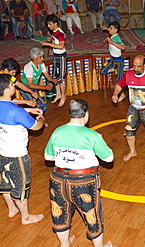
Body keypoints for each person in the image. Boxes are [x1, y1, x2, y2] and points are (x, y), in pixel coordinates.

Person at [45, 99, 113, 247]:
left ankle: (65, 244)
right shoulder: (91, 135)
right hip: (83, 182)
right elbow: (109, 158)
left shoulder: (57, 131)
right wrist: (101, 140)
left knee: (59, 212)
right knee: (92, 214)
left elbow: (48, 157)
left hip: (58, 179)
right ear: (86, 114)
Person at [0, 73, 45, 225]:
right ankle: (25, 217)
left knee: (5, 183)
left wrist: (28, 111)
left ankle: (12, 209)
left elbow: (8, 112)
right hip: (16, 155)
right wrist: (41, 119)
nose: (14, 86)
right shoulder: (16, 112)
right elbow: (36, 127)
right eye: (12, 86)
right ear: (6, 90)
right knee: (21, 187)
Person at [0, 58, 38, 191]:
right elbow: (8, 106)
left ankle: (5, 183)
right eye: (13, 74)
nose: (14, 79)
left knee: (1, 155)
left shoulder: (5, 80)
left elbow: (18, 86)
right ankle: (2, 184)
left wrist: (30, 93)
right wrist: (26, 103)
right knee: (0, 156)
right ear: (5, 71)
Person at [42, 14, 67, 107]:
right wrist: (50, 39)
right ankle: (58, 94)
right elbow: (55, 41)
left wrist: (48, 45)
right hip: (56, 56)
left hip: (61, 57)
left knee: (60, 78)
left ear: (55, 23)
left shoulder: (60, 33)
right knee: (55, 77)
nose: (48, 26)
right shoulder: (54, 32)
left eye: (50, 24)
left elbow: (61, 46)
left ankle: (63, 96)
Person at [100, 22, 126, 101]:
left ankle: (122, 94)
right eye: (109, 28)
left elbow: (123, 47)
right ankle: (113, 69)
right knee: (102, 70)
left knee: (119, 81)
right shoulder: (113, 35)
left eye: (111, 28)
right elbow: (111, 30)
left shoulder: (117, 38)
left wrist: (111, 42)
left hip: (118, 61)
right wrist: (106, 28)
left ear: (116, 30)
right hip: (112, 59)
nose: (109, 30)